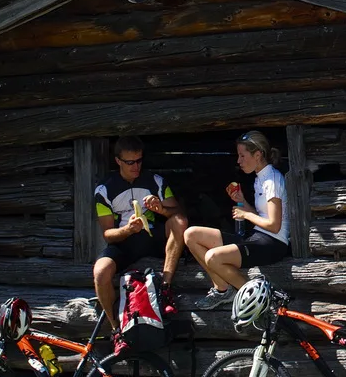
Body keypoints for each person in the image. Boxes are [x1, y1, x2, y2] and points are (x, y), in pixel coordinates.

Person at [185, 131, 292, 308]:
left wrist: (246, 214)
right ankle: (223, 289)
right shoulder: (260, 178)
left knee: (213, 257)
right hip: (259, 236)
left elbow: (274, 225)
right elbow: (261, 216)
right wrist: (242, 201)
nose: (238, 161)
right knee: (191, 234)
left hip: (274, 243)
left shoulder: (271, 180)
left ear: (257, 155)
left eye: (242, 156)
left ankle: (255, 298)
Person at [93, 136, 188, 329]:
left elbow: (179, 215)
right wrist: (128, 229)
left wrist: (161, 209)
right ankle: (115, 329)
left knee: (179, 221)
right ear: (118, 161)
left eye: (139, 161)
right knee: (101, 272)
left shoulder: (155, 181)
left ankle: (165, 288)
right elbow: (107, 234)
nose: (136, 166)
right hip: (124, 242)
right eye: (130, 162)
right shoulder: (104, 190)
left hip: (153, 237)